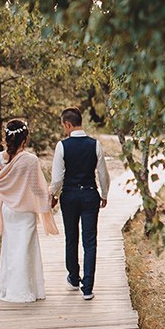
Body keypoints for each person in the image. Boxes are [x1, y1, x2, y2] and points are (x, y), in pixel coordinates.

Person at [0, 118, 58, 303]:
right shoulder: (30, 160)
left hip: (7, 208)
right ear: (25, 138)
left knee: (10, 248)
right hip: (25, 210)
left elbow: (1, 185)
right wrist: (49, 199)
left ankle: (8, 287)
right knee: (25, 249)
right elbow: (36, 188)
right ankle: (25, 289)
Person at [49, 107, 109, 301]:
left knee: (71, 237)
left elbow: (57, 178)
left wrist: (53, 194)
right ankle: (88, 288)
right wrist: (104, 194)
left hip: (70, 196)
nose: (63, 129)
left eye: (63, 126)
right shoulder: (95, 144)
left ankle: (74, 278)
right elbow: (103, 173)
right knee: (90, 241)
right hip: (90, 194)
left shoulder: (62, 146)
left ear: (68, 124)